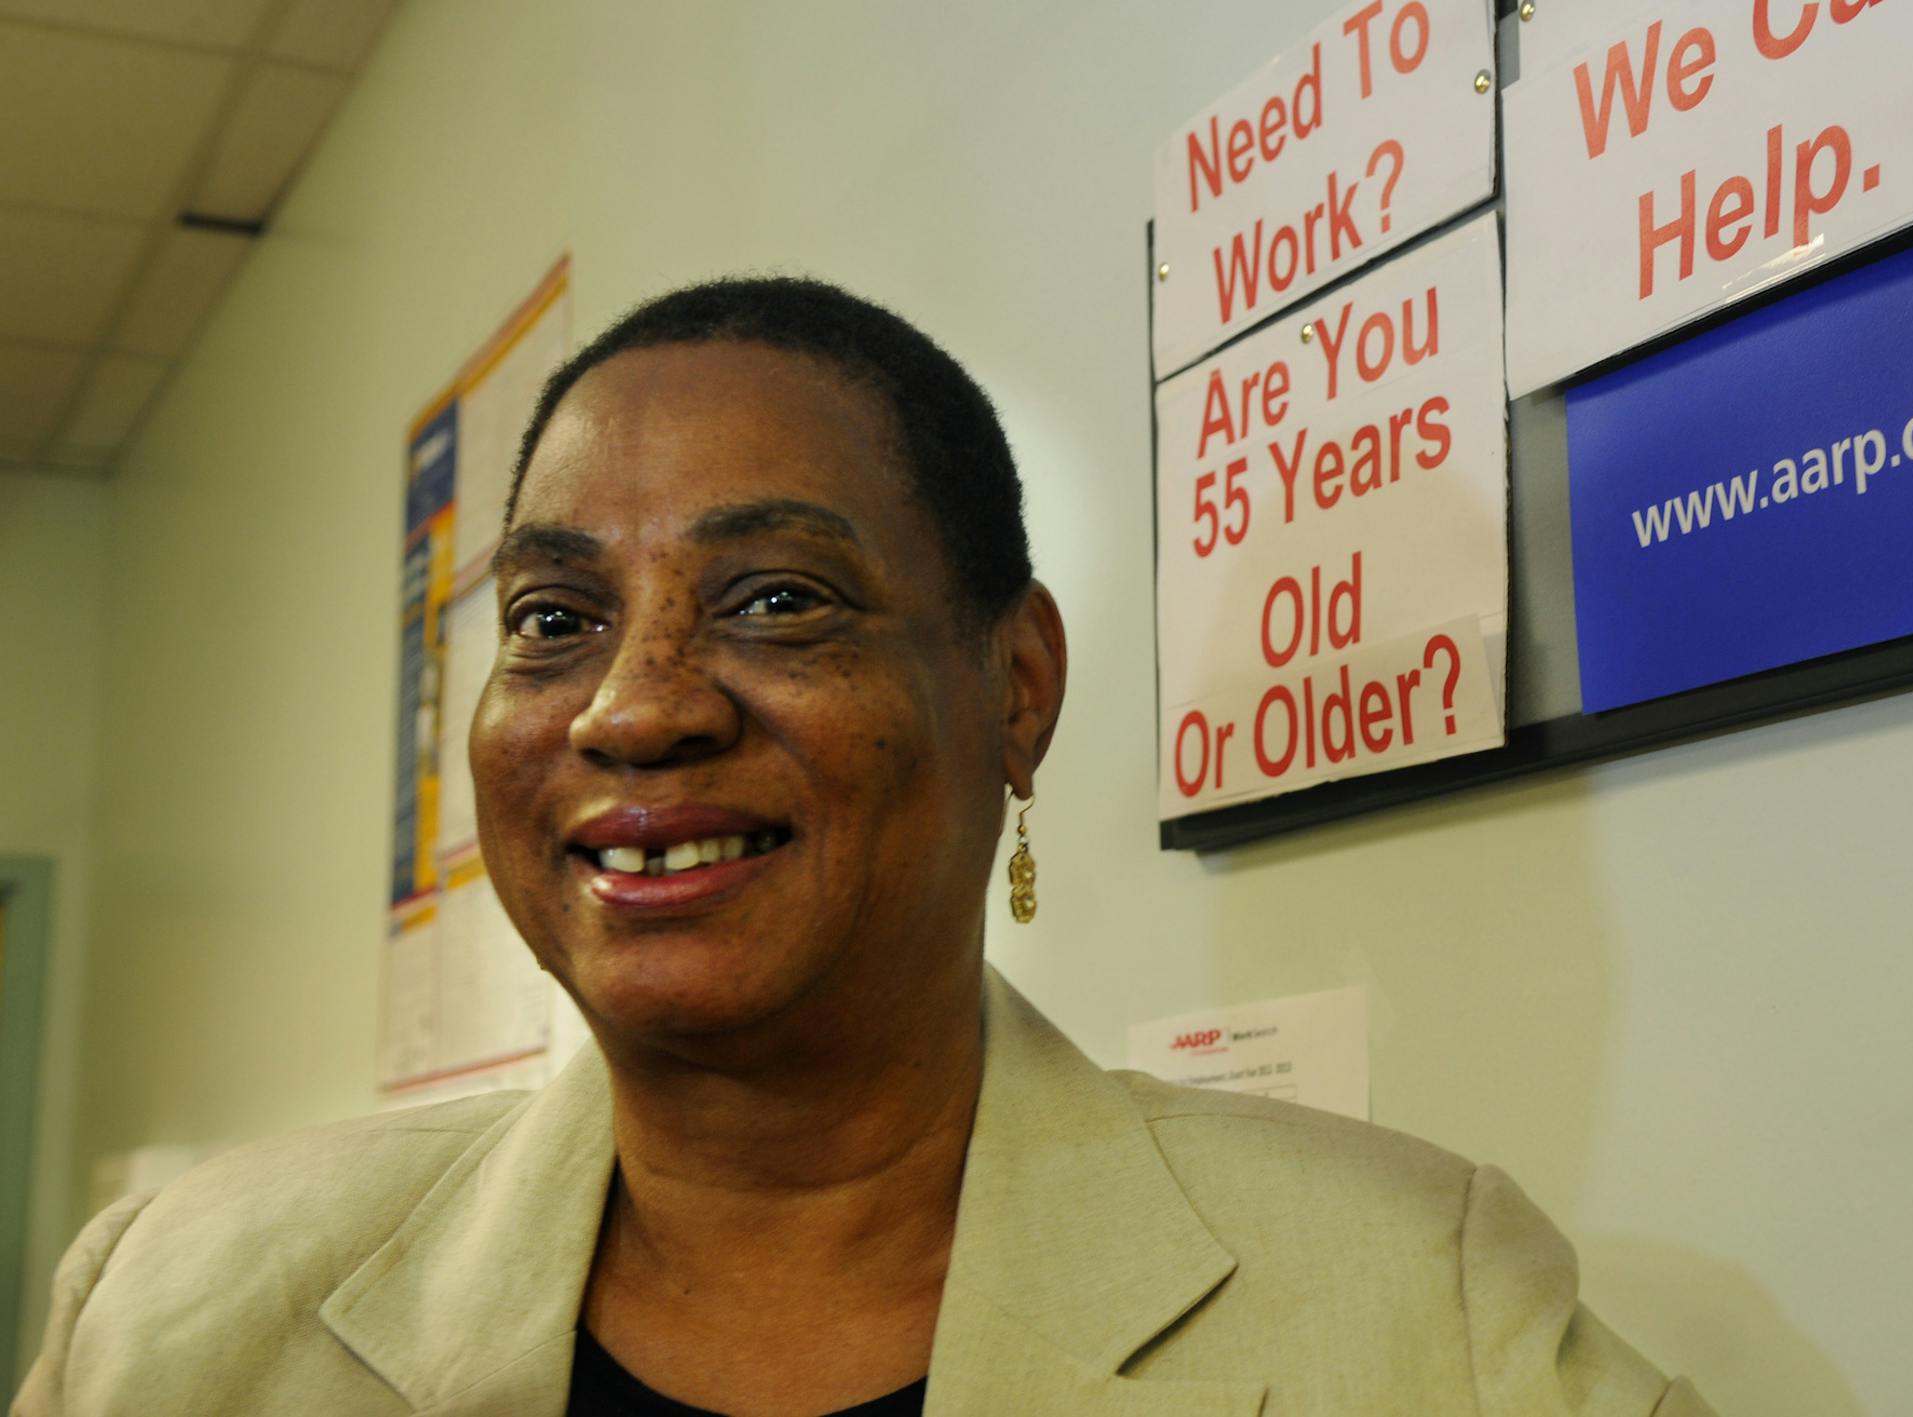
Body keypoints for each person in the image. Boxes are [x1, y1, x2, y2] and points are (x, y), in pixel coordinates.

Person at [13, 278, 1717, 1417]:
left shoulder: (1423, 1310)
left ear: (1015, 685)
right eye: (553, 616)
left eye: (777, 599)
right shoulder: (175, 1316)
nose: (635, 705)